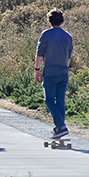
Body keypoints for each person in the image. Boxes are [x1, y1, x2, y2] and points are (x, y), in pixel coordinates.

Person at [35, 8, 73, 139]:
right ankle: (59, 128)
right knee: (60, 100)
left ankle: (61, 126)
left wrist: (37, 70)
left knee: (49, 100)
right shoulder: (67, 36)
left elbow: (40, 54)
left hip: (50, 72)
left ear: (49, 20)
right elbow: (69, 57)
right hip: (63, 72)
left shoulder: (46, 34)